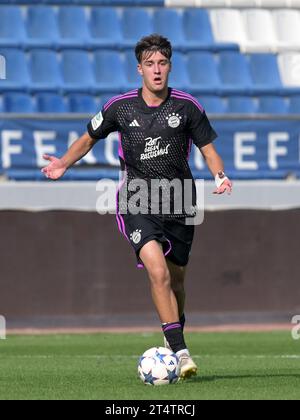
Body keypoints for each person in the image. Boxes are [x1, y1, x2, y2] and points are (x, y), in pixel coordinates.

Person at [41, 34, 232, 380]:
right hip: (137, 199)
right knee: (157, 272)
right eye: (149, 64)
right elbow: (87, 138)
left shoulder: (187, 106)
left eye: (162, 63)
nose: (156, 71)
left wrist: (219, 175)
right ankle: (181, 350)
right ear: (139, 69)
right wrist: (63, 164)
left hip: (179, 200)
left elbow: (208, 149)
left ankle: (172, 331)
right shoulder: (120, 107)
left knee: (176, 281)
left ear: (169, 66)